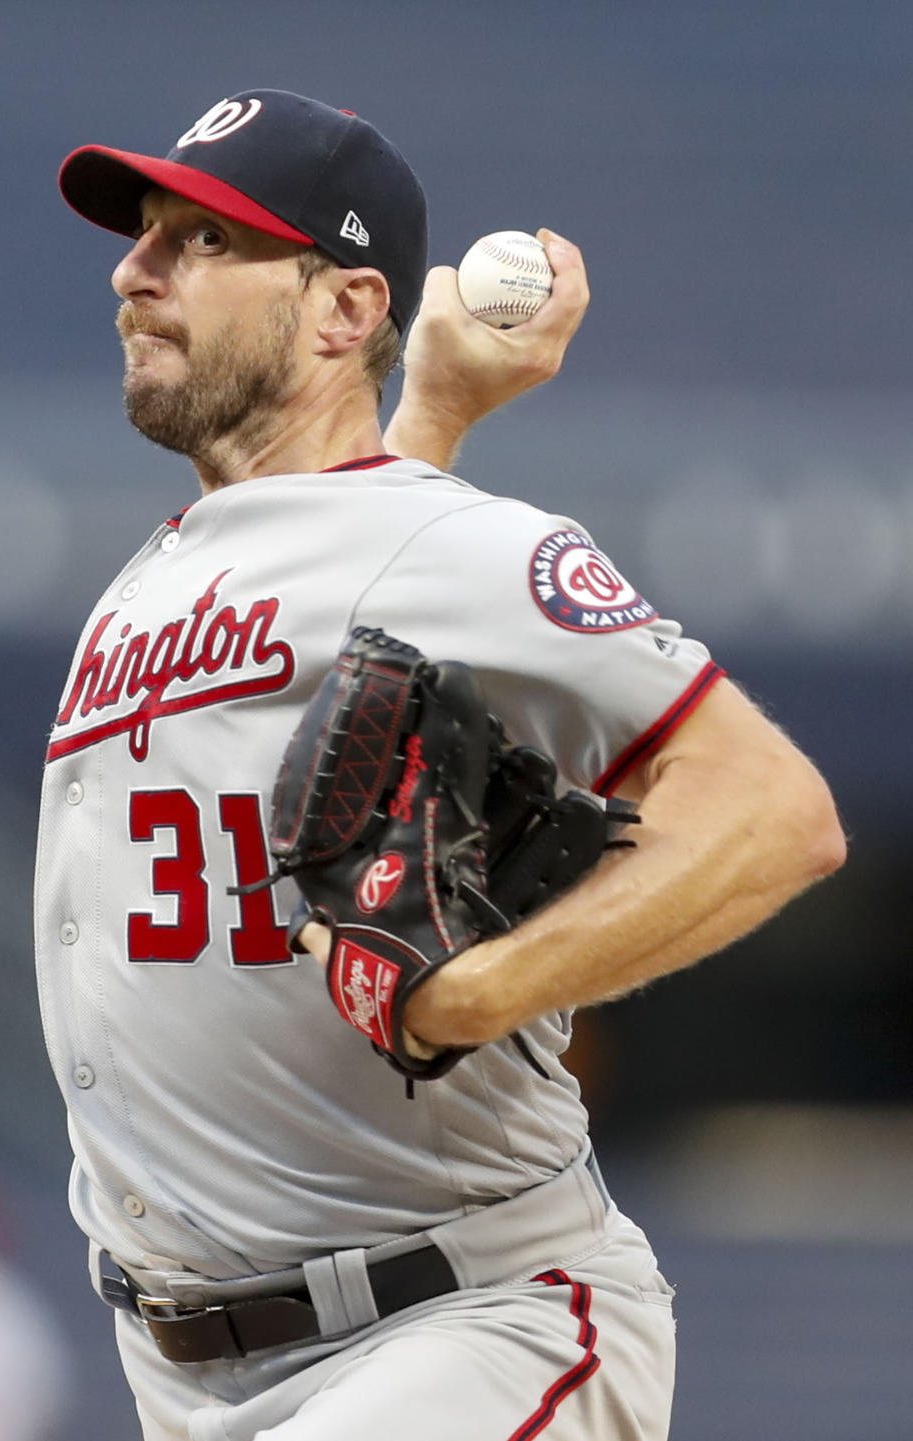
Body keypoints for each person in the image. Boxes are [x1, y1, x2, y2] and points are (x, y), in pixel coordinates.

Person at [41, 90, 845, 1441]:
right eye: (145, 235)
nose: (136, 267)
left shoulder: (470, 547)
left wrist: (468, 993)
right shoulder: (175, 569)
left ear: (343, 309)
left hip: (457, 1325)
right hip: (187, 1372)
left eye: (202, 238)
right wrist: (442, 404)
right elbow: (352, 555)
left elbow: (776, 812)